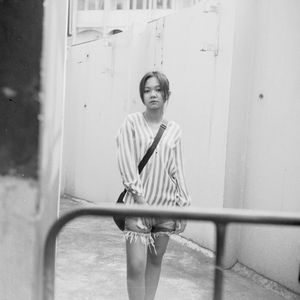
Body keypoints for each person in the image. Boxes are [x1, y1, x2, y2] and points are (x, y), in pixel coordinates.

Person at [116, 71, 191, 300]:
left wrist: (183, 207)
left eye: (158, 89)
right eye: (147, 90)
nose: (153, 94)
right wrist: (141, 202)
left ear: (166, 94)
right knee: (136, 266)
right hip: (138, 207)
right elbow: (126, 163)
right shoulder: (131, 123)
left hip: (165, 208)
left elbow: (178, 169)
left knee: (155, 262)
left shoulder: (174, 130)